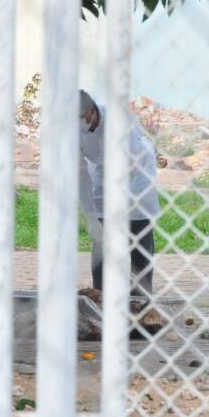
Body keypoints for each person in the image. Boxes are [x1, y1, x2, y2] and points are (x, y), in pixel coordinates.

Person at [78, 90, 160, 301]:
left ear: (91, 110)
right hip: (103, 178)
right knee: (101, 246)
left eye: (79, 118)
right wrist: (91, 215)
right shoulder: (72, 130)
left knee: (139, 243)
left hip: (137, 181)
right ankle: (100, 300)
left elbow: (128, 167)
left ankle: (140, 304)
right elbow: (80, 174)